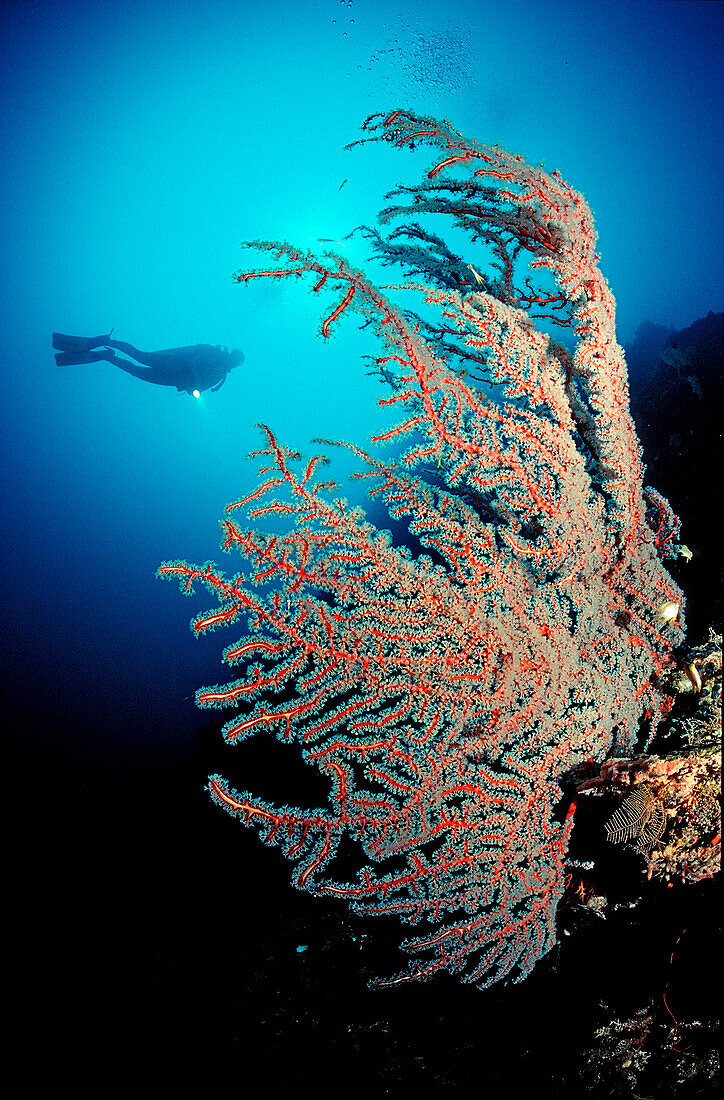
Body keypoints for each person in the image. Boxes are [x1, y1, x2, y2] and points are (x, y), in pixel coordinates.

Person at [52, 331, 244, 396]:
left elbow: (199, 388)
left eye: (236, 364)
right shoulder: (213, 354)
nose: (233, 364)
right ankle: (106, 341)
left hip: (173, 378)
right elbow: (193, 358)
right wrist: (192, 384)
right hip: (173, 365)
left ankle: (108, 356)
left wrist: (191, 389)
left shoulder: (220, 377)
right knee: (139, 356)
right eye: (235, 360)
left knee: (136, 370)